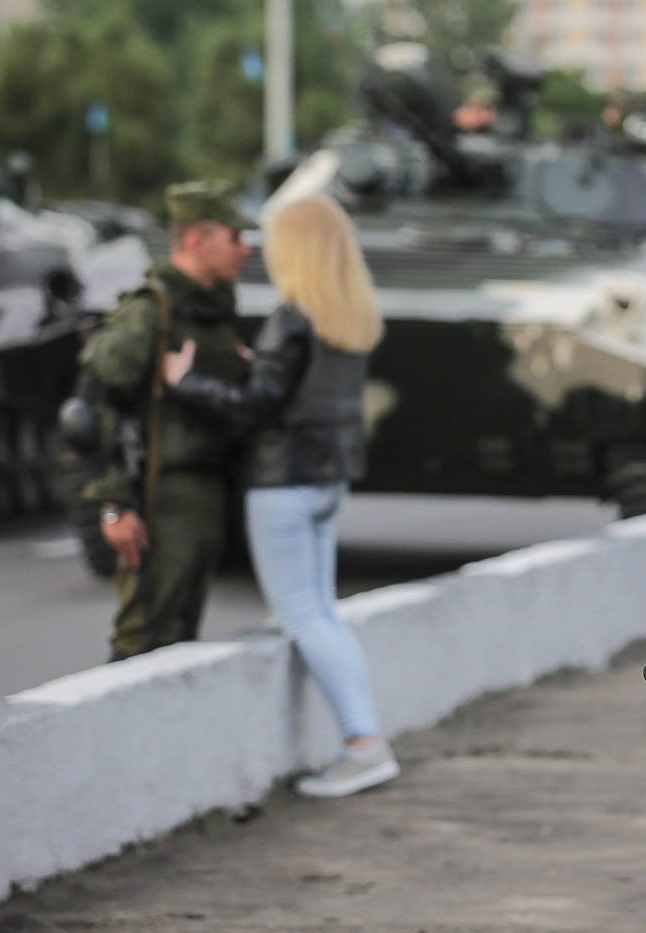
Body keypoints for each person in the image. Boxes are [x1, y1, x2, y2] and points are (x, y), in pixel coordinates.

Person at [162, 195, 398, 797]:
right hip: (327, 479)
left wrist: (185, 382)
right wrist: (259, 365)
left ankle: (364, 745)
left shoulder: (291, 317)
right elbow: (297, 389)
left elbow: (256, 409)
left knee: (301, 616)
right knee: (322, 613)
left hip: (284, 481)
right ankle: (365, 740)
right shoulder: (348, 315)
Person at [79, 180, 253, 661]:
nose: (245, 249)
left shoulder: (212, 313)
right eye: (234, 237)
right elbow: (89, 406)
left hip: (208, 490)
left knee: (179, 639)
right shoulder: (150, 310)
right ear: (196, 239)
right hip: (162, 493)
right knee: (144, 637)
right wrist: (114, 504)